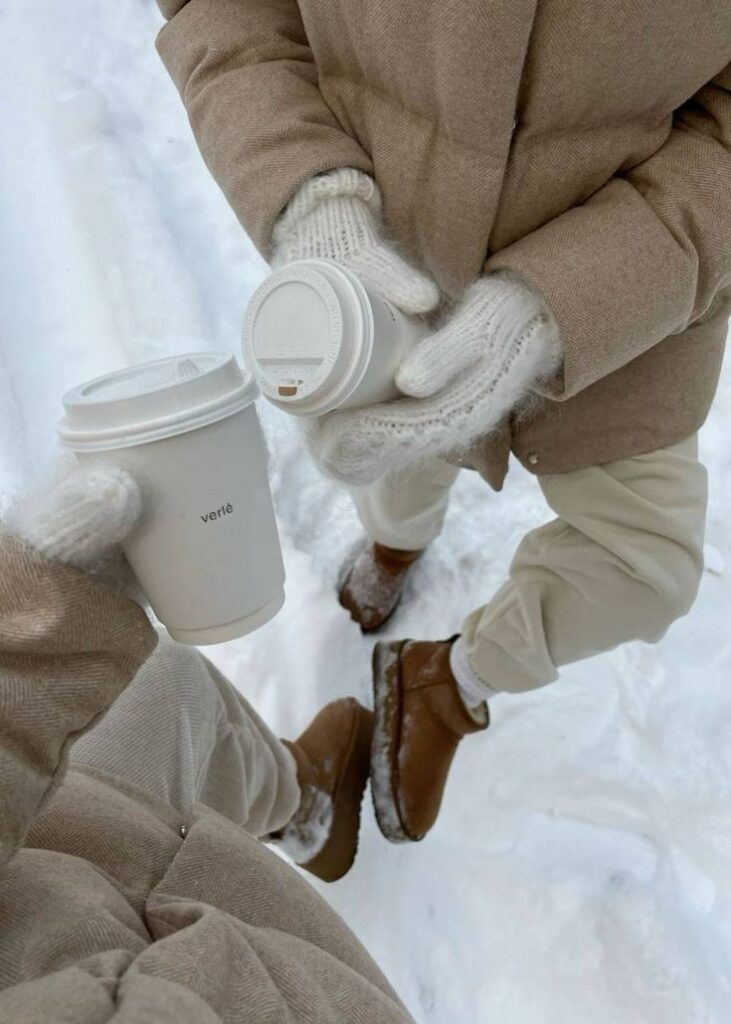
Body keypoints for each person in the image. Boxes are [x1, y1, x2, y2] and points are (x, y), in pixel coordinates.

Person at [153, 2, 731, 843]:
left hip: (635, 286)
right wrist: (309, 192)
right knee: (394, 467)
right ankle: (395, 544)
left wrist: (561, 303)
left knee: (647, 569)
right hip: (383, 252)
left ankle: (449, 682)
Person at [0, 463, 413, 1022]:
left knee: (161, 679)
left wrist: (32, 642)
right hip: (133, 958)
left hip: (56, 848)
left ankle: (301, 805)